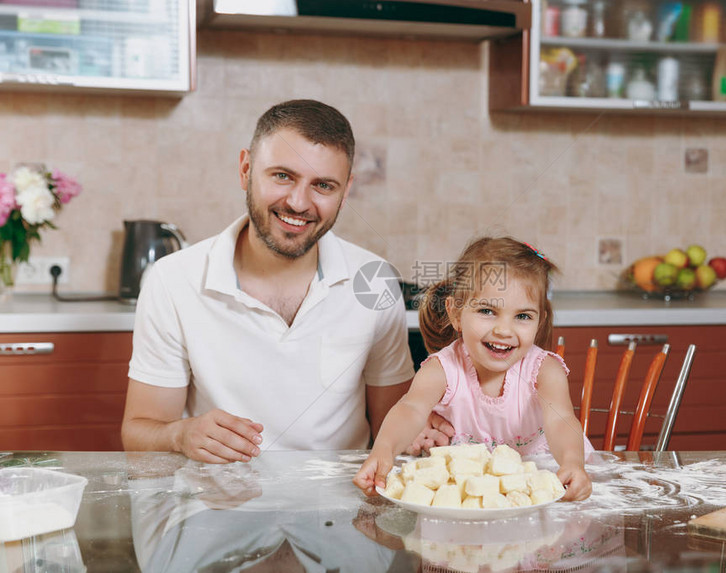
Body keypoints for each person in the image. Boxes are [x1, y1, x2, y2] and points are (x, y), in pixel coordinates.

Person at [121, 99, 420, 464]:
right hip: (217, 509)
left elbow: (398, 429)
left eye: (323, 185)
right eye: (282, 176)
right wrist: (179, 435)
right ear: (246, 169)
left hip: (338, 510)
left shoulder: (375, 282)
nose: (298, 202)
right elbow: (138, 432)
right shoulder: (171, 280)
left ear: (345, 191)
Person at [354, 237, 594, 502]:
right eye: (487, 311)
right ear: (456, 314)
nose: (504, 330)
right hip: (481, 494)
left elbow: (561, 420)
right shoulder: (442, 370)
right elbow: (409, 410)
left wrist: (572, 463)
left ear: (540, 321)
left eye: (523, 316)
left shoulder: (544, 371)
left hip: (546, 483)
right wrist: (383, 451)